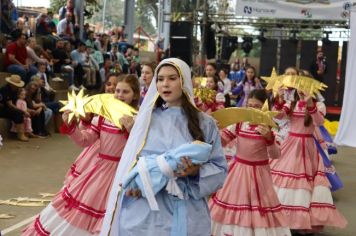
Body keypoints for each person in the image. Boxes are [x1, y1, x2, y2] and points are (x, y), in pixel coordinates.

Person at [101, 58, 227, 236]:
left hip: (184, 208)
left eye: (172, 78)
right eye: (160, 79)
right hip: (144, 208)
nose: (165, 84)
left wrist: (195, 172)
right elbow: (131, 162)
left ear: (184, 81)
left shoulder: (205, 124)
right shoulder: (145, 120)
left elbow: (219, 168)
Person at [22, 74, 140, 235]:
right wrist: (71, 127)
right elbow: (85, 140)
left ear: (135, 95)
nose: (119, 95)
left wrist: (133, 130)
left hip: (123, 174)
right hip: (99, 173)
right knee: (78, 212)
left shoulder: (139, 119)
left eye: (125, 92)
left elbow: (142, 149)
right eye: (117, 91)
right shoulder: (103, 117)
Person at [209, 89, 291, 236]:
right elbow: (222, 141)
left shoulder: (270, 127)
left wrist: (269, 138)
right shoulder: (240, 124)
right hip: (237, 171)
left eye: (257, 106)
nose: (253, 109)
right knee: (234, 202)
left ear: (266, 107)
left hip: (259, 175)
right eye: (249, 105)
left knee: (258, 206)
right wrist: (213, 130)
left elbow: (276, 154)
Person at [270, 89, 347, 234]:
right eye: (298, 88)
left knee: (305, 182)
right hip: (290, 144)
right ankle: (281, 218)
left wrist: (310, 104)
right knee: (284, 178)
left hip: (307, 147)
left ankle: (303, 221)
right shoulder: (291, 104)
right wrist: (279, 101)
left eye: (305, 88)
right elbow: (278, 116)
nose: (301, 91)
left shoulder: (317, 106)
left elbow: (319, 122)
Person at [0, 75, 28, 141]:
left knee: (21, 112)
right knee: (18, 113)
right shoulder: (5, 89)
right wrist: (23, 111)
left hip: (9, 108)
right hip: (2, 108)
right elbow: (10, 105)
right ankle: (20, 134)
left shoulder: (16, 90)